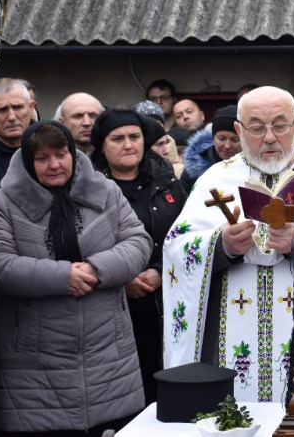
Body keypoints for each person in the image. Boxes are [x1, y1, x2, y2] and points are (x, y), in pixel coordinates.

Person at [162, 87, 294, 404]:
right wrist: (220, 245)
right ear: (238, 130)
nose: (268, 137)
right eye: (255, 126)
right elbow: (176, 248)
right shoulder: (214, 179)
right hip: (230, 340)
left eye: (279, 125)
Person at [0, 120, 152, 435]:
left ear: (73, 155)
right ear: (27, 161)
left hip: (107, 346)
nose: (53, 165)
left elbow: (138, 242)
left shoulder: (105, 191)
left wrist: (96, 269)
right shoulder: (3, 203)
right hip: (35, 357)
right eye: (42, 158)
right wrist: (62, 276)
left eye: (61, 154)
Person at [89, 109, 187, 407]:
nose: (128, 144)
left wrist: (159, 270)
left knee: (163, 379)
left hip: (163, 297)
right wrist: (122, 275)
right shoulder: (86, 187)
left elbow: (185, 235)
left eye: (135, 137)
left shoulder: (167, 181)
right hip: (109, 300)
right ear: (102, 146)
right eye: (117, 138)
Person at [0, 78, 36, 434]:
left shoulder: (55, 149)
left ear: (32, 107)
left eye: (18, 107)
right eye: (1, 110)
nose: (12, 116)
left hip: (47, 284)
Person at [180, 105, 241, 193]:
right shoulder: (193, 170)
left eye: (234, 140)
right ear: (213, 137)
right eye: (221, 139)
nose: (227, 146)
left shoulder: (253, 170)